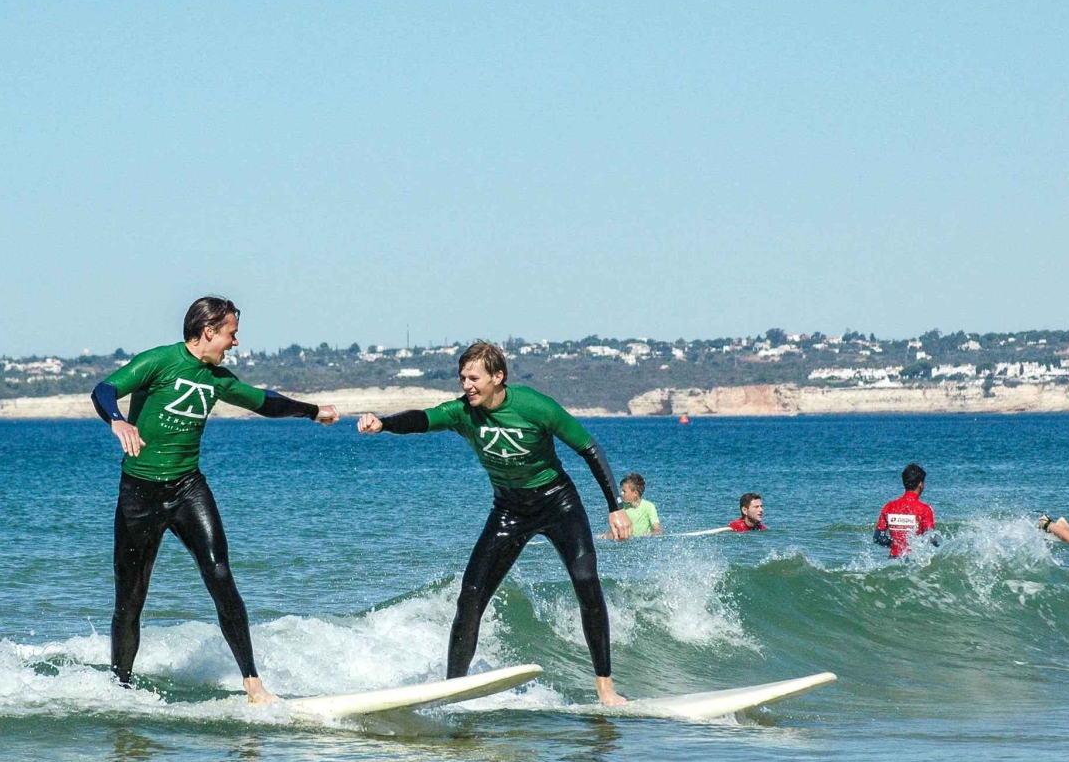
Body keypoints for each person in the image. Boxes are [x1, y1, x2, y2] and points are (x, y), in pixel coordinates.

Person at [91, 296, 339, 701]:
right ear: (209, 331)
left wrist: (312, 412)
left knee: (220, 575)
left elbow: (265, 401)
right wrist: (117, 420)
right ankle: (121, 688)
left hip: (188, 488)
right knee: (130, 599)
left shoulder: (217, 379)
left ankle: (253, 684)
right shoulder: (160, 361)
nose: (235, 342)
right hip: (139, 494)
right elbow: (105, 389)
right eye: (231, 333)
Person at [357, 342, 633, 705]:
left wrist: (615, 507)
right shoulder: (462, 413)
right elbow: (423, 419)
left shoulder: (535, 406)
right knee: (469, 598)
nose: (466, 385)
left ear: (497, 377)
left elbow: (589, 448)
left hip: (559, 505)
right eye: (462, 378)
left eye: (474, 378)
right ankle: (452, 690)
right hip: (509, 510)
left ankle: (605, 688)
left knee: (587, 586)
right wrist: (384, 423)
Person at [874, 463, 936, 558]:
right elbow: (930, 538)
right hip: (914, 560)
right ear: (920, 484)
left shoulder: (889, 507)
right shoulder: (925, 509)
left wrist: (896, 545)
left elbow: (878, 537)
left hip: (893, 559)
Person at [605, 472, 661, 539]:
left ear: (635, 493)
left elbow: (657, 529)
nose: (621, 493)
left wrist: (650, 534)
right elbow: (615, 531)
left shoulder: (649, 507)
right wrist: (606, 536)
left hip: (642, 541)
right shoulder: (621, 508)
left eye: (624, 491)